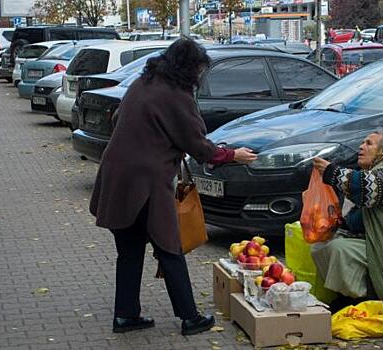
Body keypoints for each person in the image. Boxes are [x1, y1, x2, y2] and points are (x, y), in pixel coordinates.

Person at [89, 38, 257, 335]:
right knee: (169, 248)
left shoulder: (144, 82)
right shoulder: (175, 94)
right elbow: (197, 144)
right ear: (189, 68)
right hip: (146, 181)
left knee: (128, 250)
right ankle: (190, 318)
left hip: (117, 176)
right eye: (199, 68)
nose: (200, 75)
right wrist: (233, 155)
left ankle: (126, 316)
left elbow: (118, 118)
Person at [310, 131, 383, 322]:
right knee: (320, 245)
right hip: (379, 244)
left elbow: (368, 188)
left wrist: (331, 172)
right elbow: (360, 220)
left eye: (369, 143)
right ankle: (349, 294)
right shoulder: (378, 172)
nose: (361, 147)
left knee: (339, 249)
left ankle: (362, 298)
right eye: (362, 142)